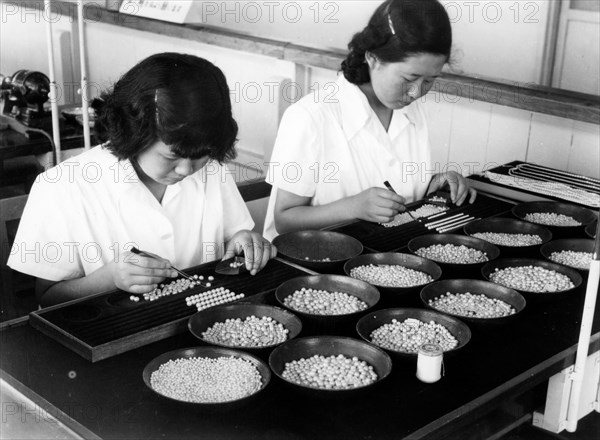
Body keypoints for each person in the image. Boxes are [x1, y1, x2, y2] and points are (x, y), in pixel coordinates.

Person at [8, 53, 276, 307]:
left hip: (204, 323)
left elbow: (233, 236)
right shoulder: (62, 186)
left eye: (201, 155)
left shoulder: (209, 167)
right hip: (113, 335)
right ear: (135, 133)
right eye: (171, 157)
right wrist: (109, 279)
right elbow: (48, 297)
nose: (186, 170)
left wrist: (243, 241)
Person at [263, 0, 476, 241]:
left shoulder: (411, 111)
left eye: (429, 81)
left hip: (387, 252)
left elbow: (400, 196)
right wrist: (352, 208)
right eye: (410, 77)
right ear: (373, 58)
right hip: (314, 262)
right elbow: (284, 220)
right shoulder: (311, 116)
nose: (417, 92)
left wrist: (435, 187)